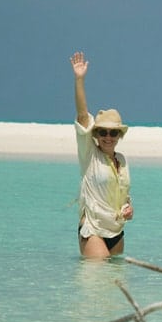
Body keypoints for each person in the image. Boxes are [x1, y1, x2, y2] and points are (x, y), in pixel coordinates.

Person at [69, 51, 133, 258]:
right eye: (103, 131)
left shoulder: (121, 160)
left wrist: (128, 209)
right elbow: (82, 114)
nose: (108, 136)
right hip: (93, 228)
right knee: (96, 283)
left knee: (115, 282)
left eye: (113, 132)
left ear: (118, 135)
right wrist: (79, 80)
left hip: (116, 230)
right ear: (96, 134)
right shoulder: (89, 154)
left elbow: (122, 194)